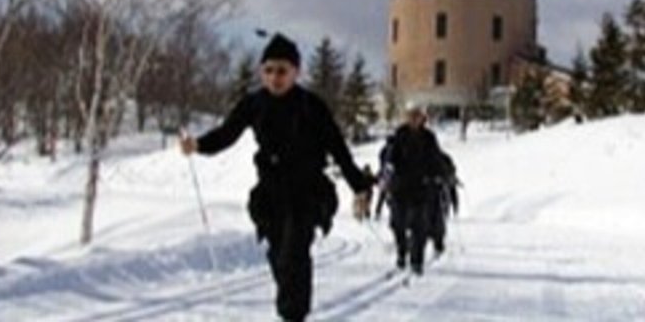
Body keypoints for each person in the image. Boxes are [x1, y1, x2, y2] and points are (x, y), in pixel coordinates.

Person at [180, 33, 372, 322]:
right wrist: (198, 145)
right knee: (279, 256)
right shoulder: (254, 104)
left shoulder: (312, 106)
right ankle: (292, 309)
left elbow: (338, 148)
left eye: (282, 71)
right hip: (271, 194)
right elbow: (227, 133)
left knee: (294, 255)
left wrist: (358, 183)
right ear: (261, 72)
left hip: (307, 192)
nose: (275, 78)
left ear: (296, 71)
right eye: (268, 71)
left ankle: (293, 316)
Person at [386, 106, 446, 275]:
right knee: (398, 223)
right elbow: (390, 159)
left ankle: (417, 260)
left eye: (417, 116)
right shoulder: (399, 136)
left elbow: (436, 159)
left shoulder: (429, 138)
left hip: (421, 188)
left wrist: (439, 175)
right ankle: (401, 251)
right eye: (411, 116)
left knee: (419, 226)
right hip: (400, 188)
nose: (414, 119)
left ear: (422, 118)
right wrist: (387, 176)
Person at [426, 151, 460, 256]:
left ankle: (437, 241)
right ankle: (437, 241)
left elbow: (450, 176)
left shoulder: (442, 158)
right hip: (430, 193)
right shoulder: (443, 158)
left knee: (437, 217)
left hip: (437, 192)